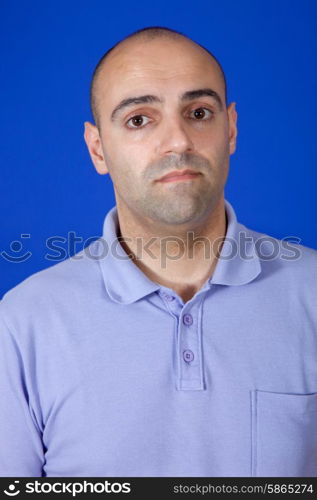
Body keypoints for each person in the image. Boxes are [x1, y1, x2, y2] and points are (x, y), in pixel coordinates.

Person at [1, 25, 317, 478]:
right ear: (98, 149)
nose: (178, 141)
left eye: (199, 112)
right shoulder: (22, 324)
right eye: (139, 119)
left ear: (230, 129)